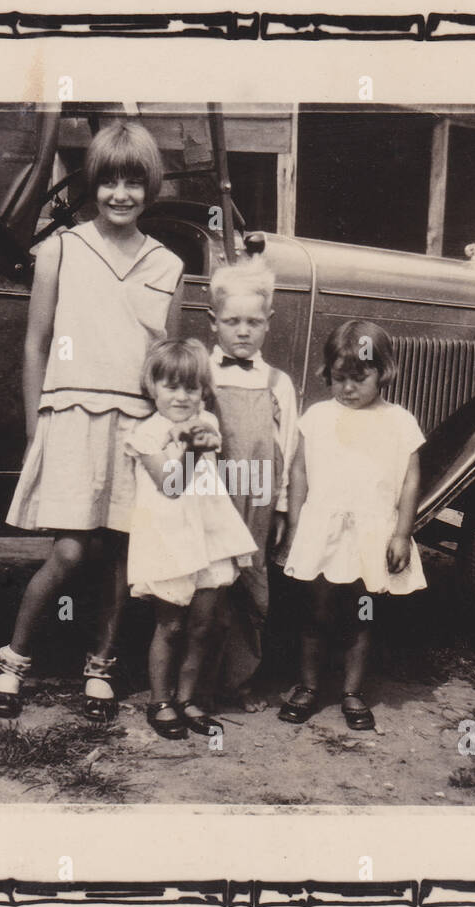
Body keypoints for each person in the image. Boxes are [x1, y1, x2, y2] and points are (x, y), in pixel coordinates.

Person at [0, 121, 185, 721]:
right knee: (71, 552)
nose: (120, 194)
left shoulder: (168, 265)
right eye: (109, 181)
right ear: (93, 185)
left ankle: (101, 668)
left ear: (150, 188)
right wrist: (34, 429)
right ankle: (13, 662)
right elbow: (35, 345)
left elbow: (168, 368)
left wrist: (169, 440)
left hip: (136, 429)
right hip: (70, 416)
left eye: (133, 182)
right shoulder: (60, 250)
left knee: (123, 556)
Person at [279, 320, 426, 731]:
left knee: (361, 613)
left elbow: (411, 477)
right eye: (339, 379)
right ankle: (307, 686)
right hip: (323, 529)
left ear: (383, 373)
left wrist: (402, 532)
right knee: (316, 611)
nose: (348, 389)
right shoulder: (318, 416)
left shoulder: (398, 420)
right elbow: (299, 473)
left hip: (371, 533)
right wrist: (295, 528)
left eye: (359, 378)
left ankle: (352, 691)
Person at [124, 338, 258, 739]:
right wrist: (189, 449)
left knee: (203, 625)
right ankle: (160, 700)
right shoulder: (145, 434)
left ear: (203, 390)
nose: (181, 397)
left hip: (209, 534)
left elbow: (208, 473)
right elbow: (170, 485)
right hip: (169, 536)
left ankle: (188, 698)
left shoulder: (208, 423)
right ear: (153, 387)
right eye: (171, 386)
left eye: (191, 388)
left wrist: (200, 442)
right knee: (171, 626)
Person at [205, 257, 299, 712]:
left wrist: (281, 508)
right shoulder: (202, 376)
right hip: (210, 498)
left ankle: (238, 681)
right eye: (232, 321)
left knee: (250, 584)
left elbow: (288, 450)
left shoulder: (279, 384)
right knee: (206, 585)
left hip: (257, 498)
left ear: (268, 324)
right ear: (213, 322)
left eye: (253, 322)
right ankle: (195, 684)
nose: (242, 331)